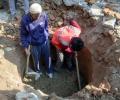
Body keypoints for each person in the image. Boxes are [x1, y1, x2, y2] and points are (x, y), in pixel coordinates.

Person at [20, 3, 53, 79]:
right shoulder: (25, 20)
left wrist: (46, 35)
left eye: (39, 14)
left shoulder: (43, 15)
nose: (38, 16)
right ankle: (38, 72)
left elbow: (46, 27)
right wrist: (25, 48)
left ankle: (49, 71)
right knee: (36, 60)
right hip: (34, 44)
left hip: (45, 42)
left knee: (48, 57)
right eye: (36, 15)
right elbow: (23, 35)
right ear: (31, 14)